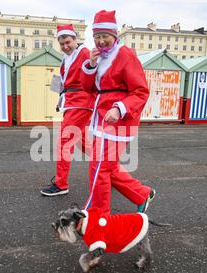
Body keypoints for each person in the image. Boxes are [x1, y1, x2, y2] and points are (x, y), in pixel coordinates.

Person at [80, 10, 156, 214]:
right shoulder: (96, 57)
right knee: (108, 167)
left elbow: (141, 91)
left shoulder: (125, 55)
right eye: (97, 36)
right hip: (101, 121)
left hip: (118, 122)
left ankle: (99, 217)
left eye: (105, 36)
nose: (101, 41)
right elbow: (88, 88)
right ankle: (141, 194)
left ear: (114, 35)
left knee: (99, 168)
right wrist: (91, 65)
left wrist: (119, 108)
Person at [41, 24, 94, 197]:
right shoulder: (66, 59)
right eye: (61, 43)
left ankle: (61, 183)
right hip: (71, 102)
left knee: (64, 142)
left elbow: (95, 74)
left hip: (81, 102)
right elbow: (66, 82)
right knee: (85, 143)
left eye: (68, 42)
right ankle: (111, 172)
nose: (65, 46)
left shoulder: (85, 53)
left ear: (75, 39)